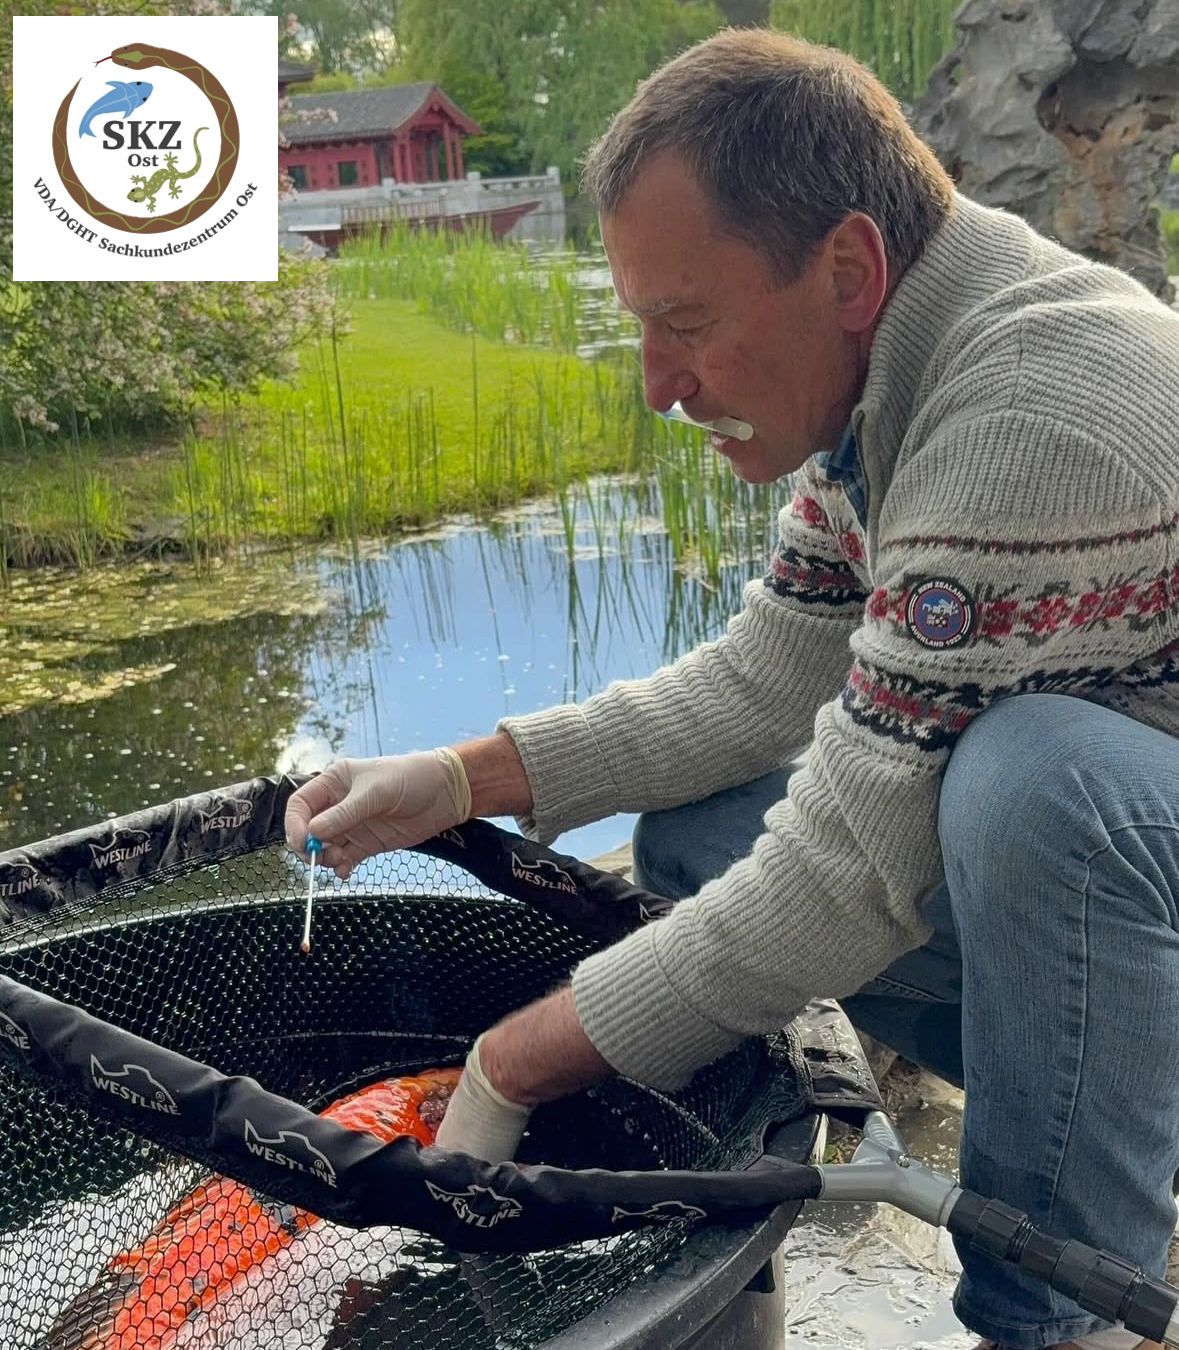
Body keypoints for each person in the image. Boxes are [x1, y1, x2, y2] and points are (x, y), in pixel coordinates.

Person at [284, 27, 1179, 1350]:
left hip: (1126, 846)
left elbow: (843, 877)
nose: (658, 384)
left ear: (849, 268)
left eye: (686, 325)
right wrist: (459, 776)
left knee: (1034, 780)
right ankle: (1082, 1088)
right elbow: (757, 684)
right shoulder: (886, 370)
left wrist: (508, 1062)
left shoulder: (1028, 411)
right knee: (702, 832)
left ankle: (1058, 1314)